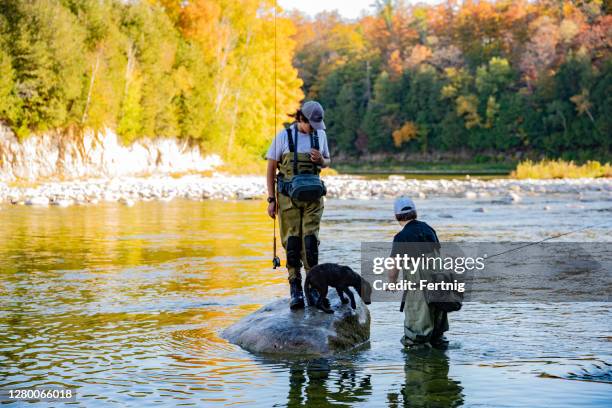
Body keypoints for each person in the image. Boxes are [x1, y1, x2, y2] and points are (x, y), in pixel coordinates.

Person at [266, 101, 331, 310]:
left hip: (314, 199)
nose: (313, 129)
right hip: (287, 199)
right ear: (301, 118)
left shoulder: (320, 135)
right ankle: (295, 287)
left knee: (310, 242)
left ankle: (312, 286)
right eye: (310, 124)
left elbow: (328, 161)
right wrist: (271, 199)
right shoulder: (283, 137)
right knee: (292, 241)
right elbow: (270, 168)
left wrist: (321, 159)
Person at [387, 196, 449, 348]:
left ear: (396, 216)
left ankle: (419, 367)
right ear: (415, 212)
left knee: (417, 337)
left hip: (419, 290)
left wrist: (392, 283)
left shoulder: (401, 237)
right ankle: (439, 368)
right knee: (438, 336)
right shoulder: (428, 229)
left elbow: (394, 266)